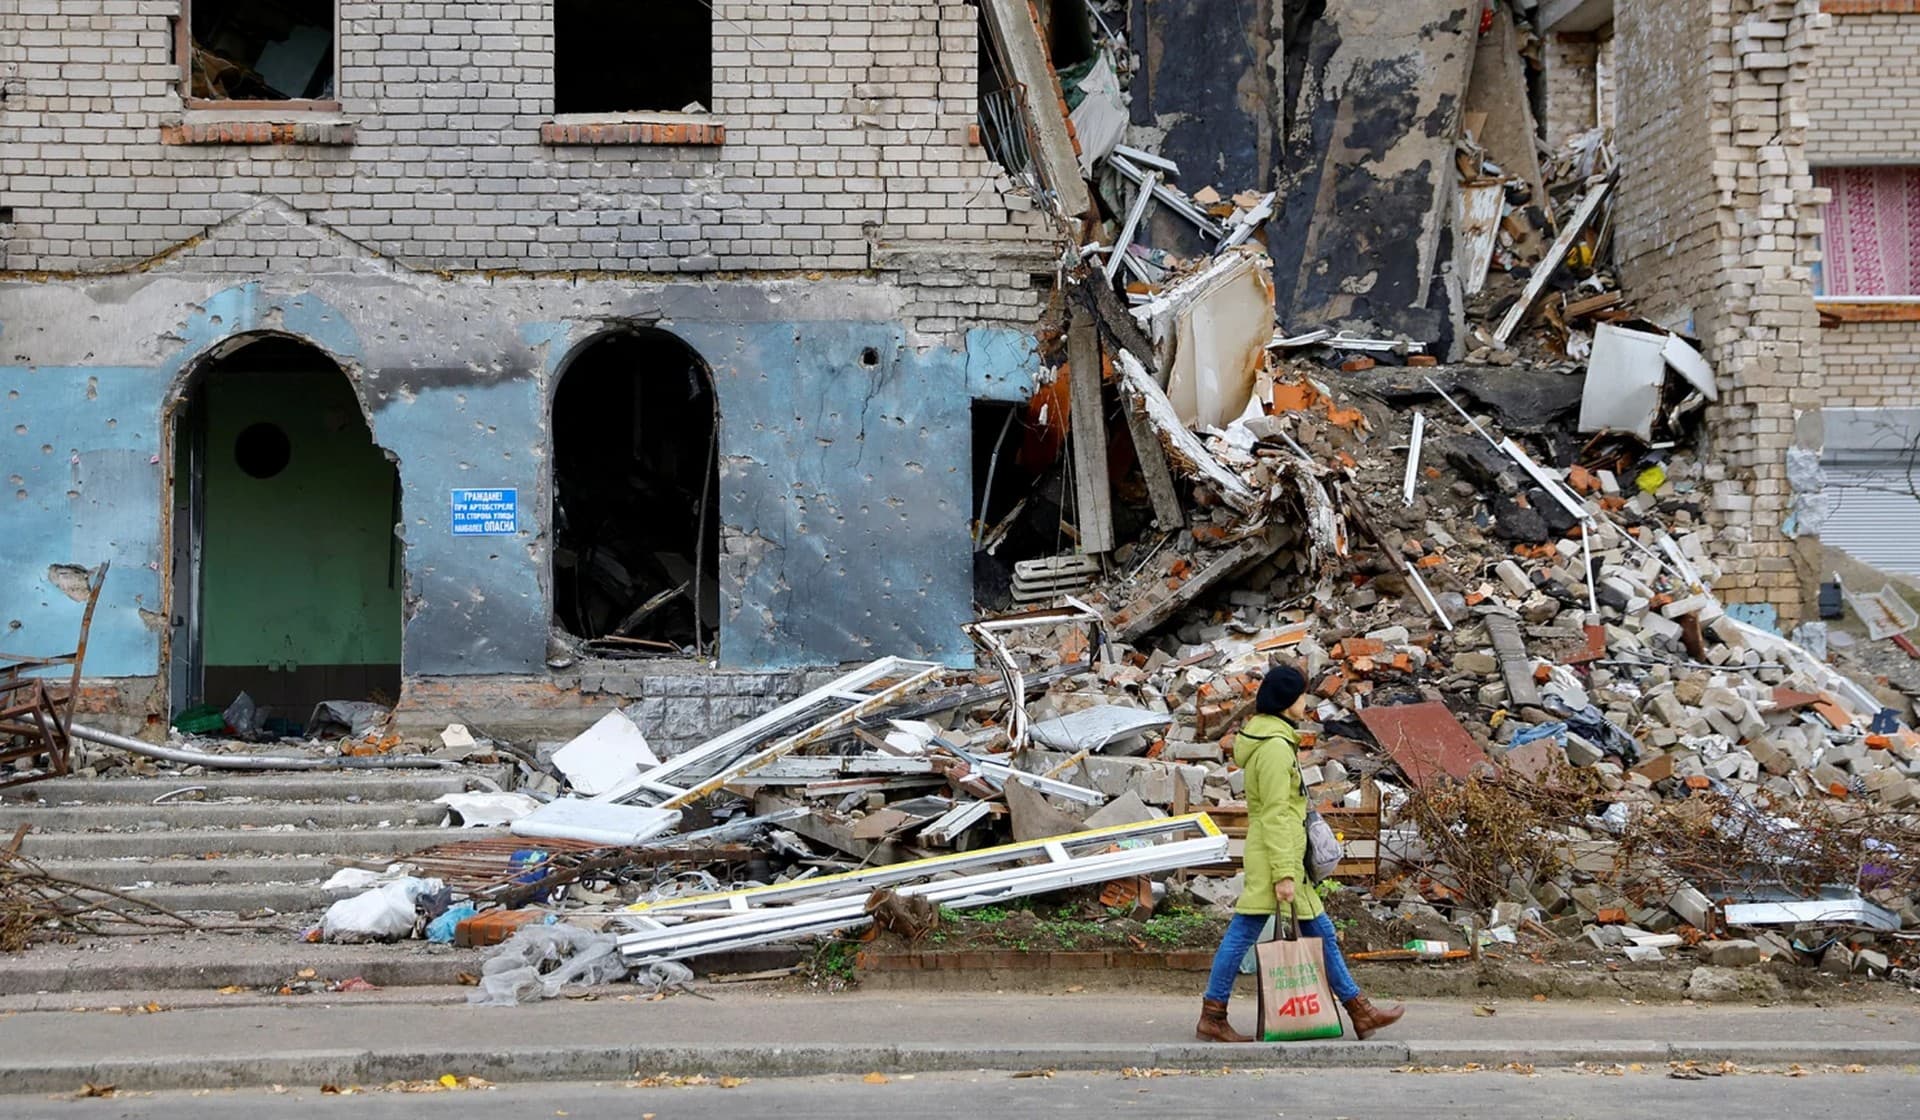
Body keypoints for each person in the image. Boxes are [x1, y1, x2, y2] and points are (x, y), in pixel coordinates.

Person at [1196, 664, 1405, 1043]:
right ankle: (1213, 1015)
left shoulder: (1273, 739)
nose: (1304, 701)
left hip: (1285, 855)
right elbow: (1276, 814)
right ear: (1286, 700)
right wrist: (1285, 874)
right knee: (1243, 934)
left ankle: (1360, 1010)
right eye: (1300, 695)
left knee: (1321, 932)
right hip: (1278, 857)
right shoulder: (1275, 748)